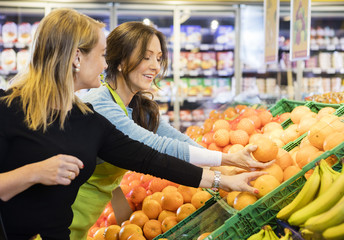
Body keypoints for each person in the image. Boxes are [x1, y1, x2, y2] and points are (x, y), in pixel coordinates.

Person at [70, 21, 272, 239]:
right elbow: (158, 149)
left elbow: (174, 139)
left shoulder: (136, 106)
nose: (155, 66)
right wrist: (227, 161)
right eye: (146, 57)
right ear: (119, 61)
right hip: (66, 214)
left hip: (84, 218)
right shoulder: (100, 104)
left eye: (158, 58)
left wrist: (225, 167)